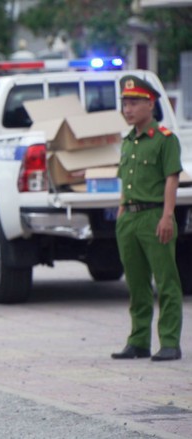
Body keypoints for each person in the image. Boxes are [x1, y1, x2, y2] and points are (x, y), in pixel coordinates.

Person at [111, 75, 183, 362]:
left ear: (149, 104)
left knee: (166, 282)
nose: (127, 109)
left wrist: (167, 216)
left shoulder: (165, 139)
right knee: (136, 283)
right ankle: (139, 340)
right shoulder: (128, 141)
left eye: (133, 103)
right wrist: (121, 211)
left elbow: (171, 179)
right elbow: (126, 181)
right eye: (124, 104)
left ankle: (169, 342)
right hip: (129, 218)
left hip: (155, 216)